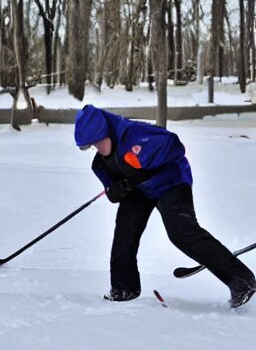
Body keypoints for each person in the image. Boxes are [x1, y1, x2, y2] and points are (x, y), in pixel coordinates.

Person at [74, 104, 256, 308]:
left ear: (105, 131)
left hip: (171, 182)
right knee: (124, 234)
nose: (96, 149)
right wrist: (113, 190)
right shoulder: (100, 163)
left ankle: (241, 280)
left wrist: (144, 163)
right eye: (91, 146)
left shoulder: (133, 134)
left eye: (97, 143)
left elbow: (174, 145)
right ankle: (124, 288)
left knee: (182, 233)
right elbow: (110, 188)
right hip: (139, 191)